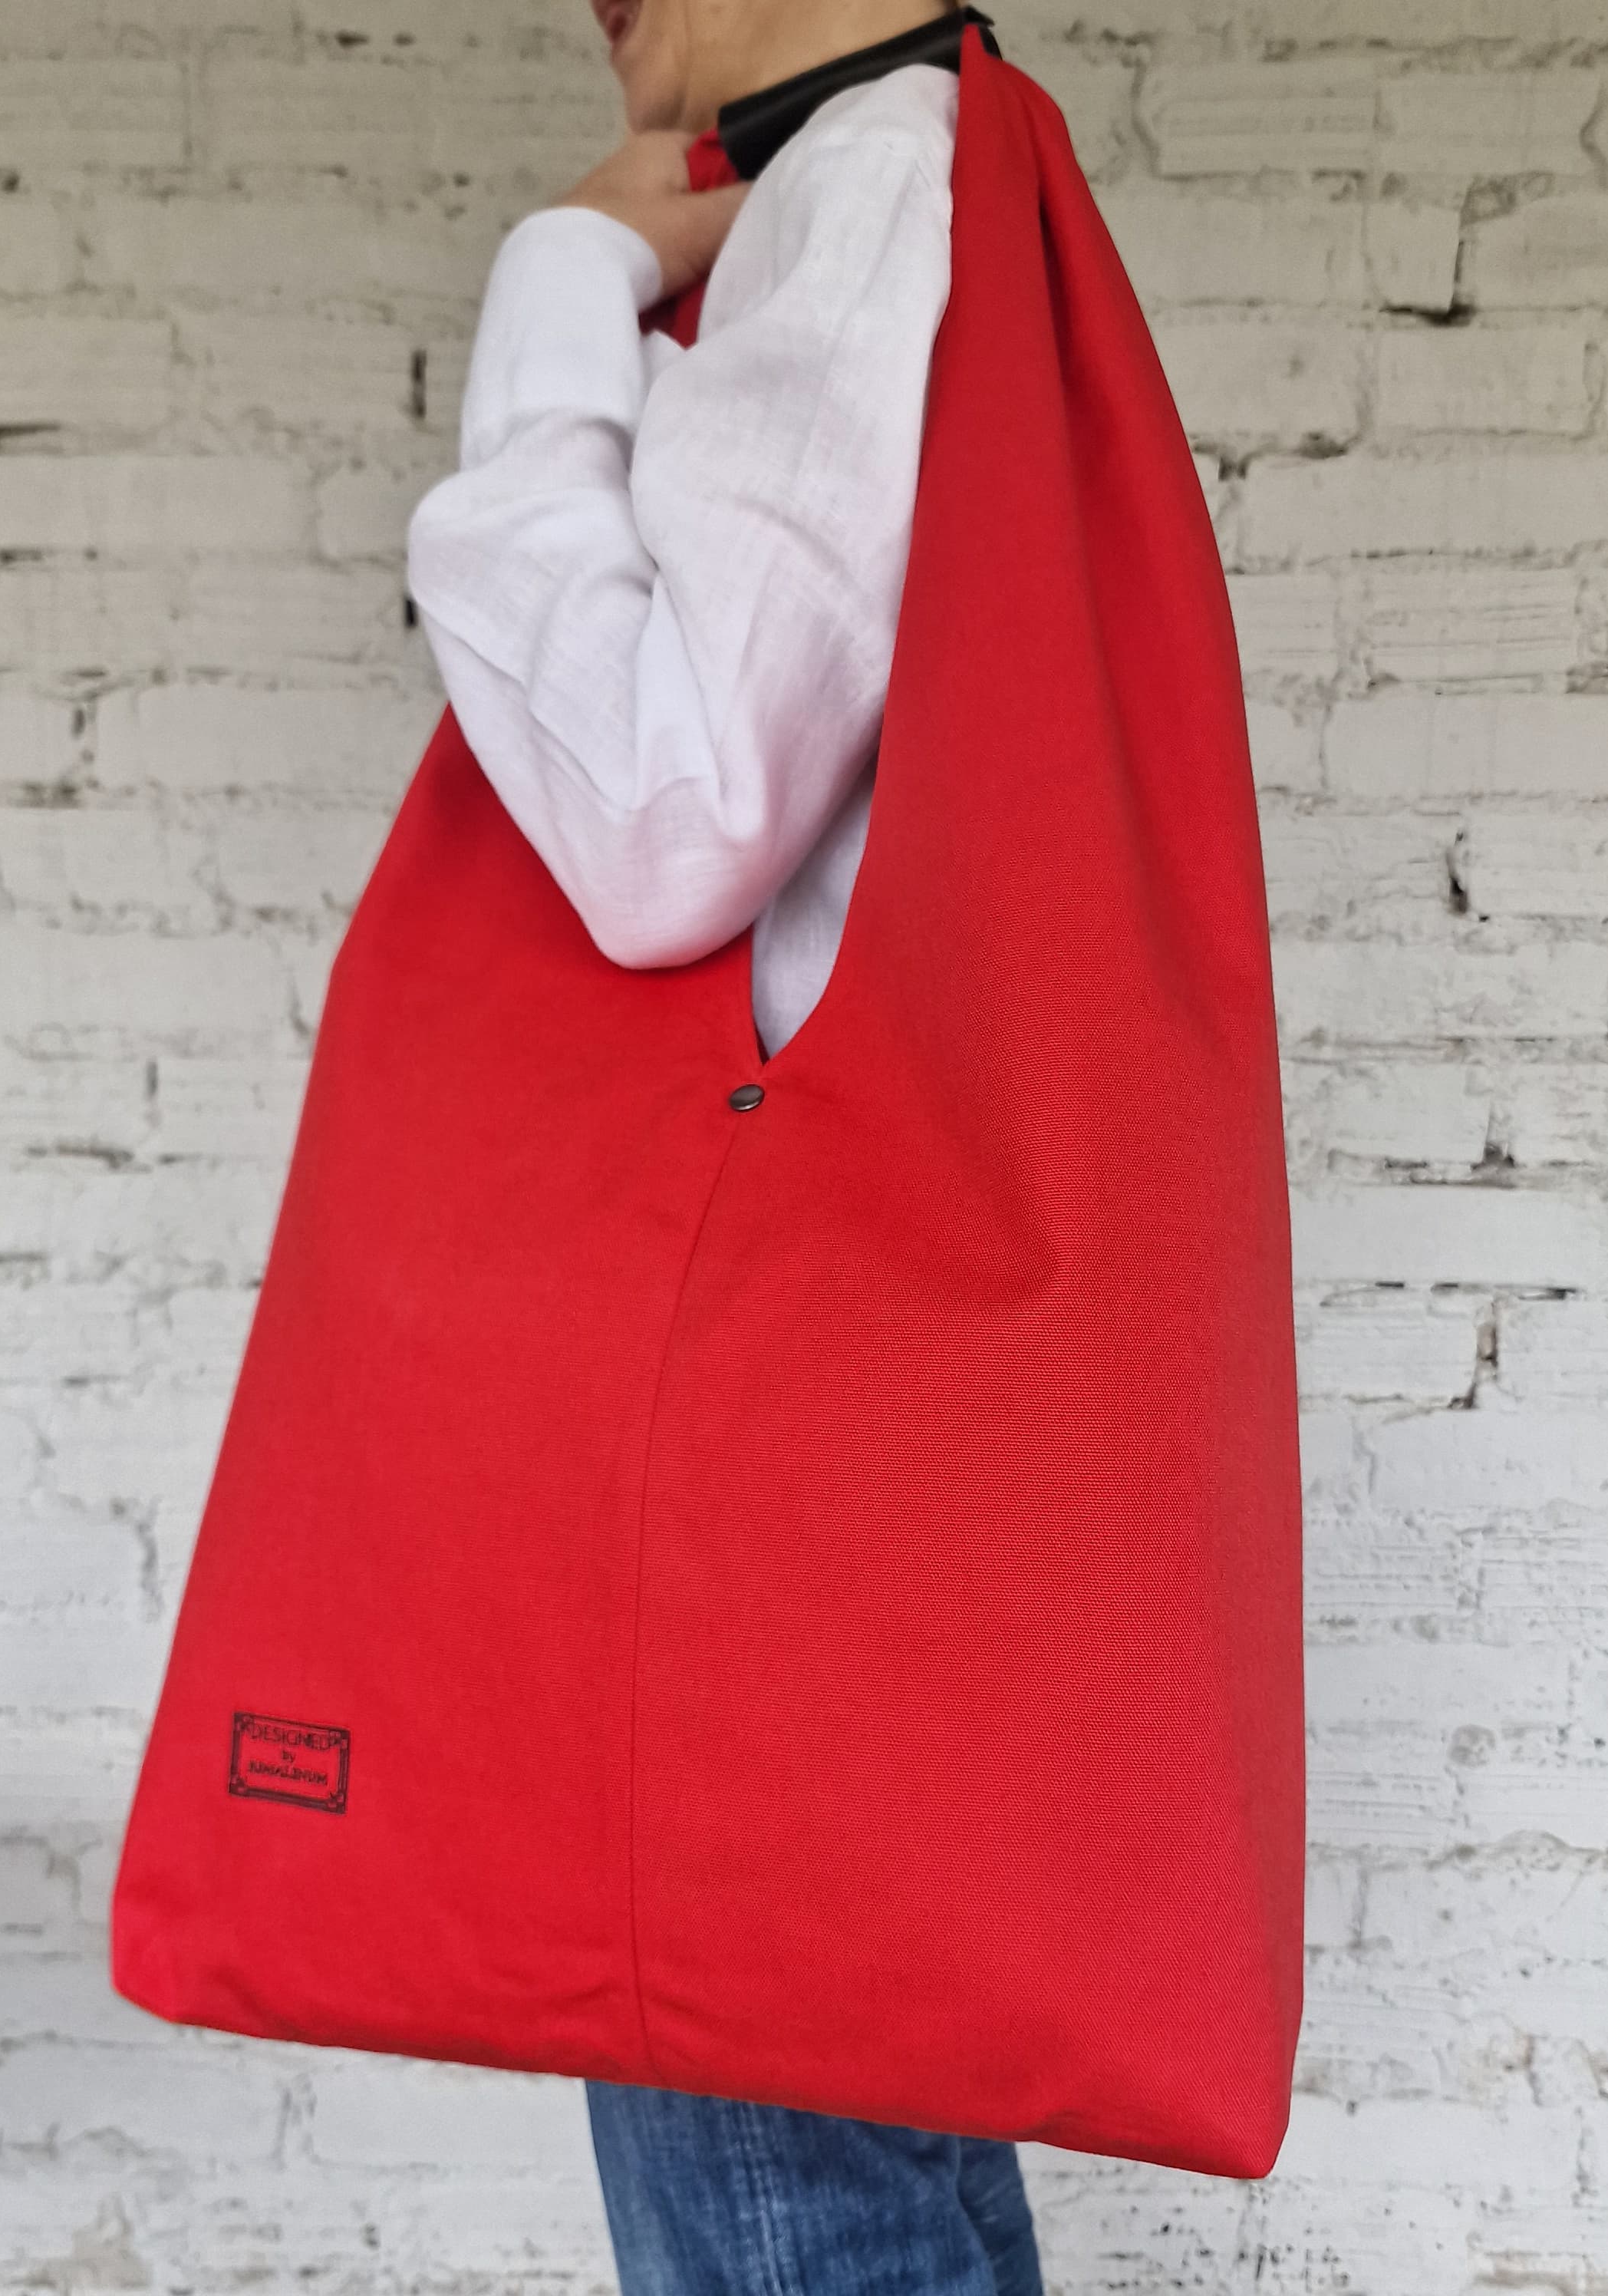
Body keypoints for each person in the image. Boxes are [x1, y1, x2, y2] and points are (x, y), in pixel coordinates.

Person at [405, 1, 1046, 2290]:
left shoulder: (867, 184)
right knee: (870, 2190)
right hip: (873, 1411)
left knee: (789, 2210)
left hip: (766, 1441)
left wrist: (567, 274)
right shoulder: (958, 178)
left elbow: (670, 812)